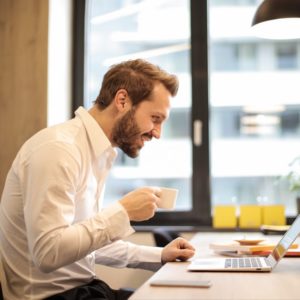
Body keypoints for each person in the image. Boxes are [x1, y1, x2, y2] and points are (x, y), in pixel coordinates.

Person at [0, 59, 195, 300]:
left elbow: (85, 244)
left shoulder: (98, 152)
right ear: (122, 101)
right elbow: (48, 253)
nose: (157, 133)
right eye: (155, 118)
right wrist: (122, 212)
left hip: (83, 291)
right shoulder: (59, 150)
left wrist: (159, 256)